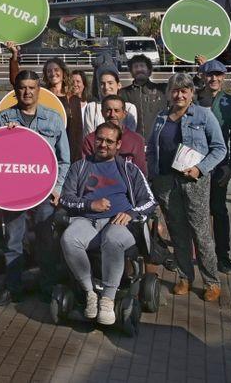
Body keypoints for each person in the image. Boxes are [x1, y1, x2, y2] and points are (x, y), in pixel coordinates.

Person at [59, 122, 157, 326]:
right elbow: (65, 199)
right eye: (100, 139)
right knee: (69, 238)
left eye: (109, 141)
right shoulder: (80, 166)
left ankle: (108, 299)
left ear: (118, 144)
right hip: (87, 220)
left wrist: (131, 213)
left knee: (112, 238)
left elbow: (149, 201)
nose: (103, 144)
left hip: (119, 224)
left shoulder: (129, 169)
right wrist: (89, 204)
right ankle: (90, 293)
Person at [0, 70, 71, 306]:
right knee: (13, 240)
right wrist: (7, 137)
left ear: (39, 90)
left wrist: (58, 188)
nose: (27, 92)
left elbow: (64, 159)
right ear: (16, 91)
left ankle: (47, 287)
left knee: (45, 240)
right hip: (14, 191)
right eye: (22, 87)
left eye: (32, 87)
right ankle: (12, 288)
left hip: (45, 193)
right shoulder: (4, 118)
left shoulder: (54, 118)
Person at [145, 73, 226, 301]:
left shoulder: (204, 115)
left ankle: (212, 281)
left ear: (191, 93)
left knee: (201, 233)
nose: (179, 95)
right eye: (175, 90)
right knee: (177, 231)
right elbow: (151, 147)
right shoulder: (161, 117)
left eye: (184, 90)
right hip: (166, 182)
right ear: (169, 93)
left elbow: (219, 148)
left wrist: (200, 169)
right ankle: (184, 277)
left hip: (194, 181)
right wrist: (154, 172)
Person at [195, 59, 231, 272]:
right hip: (195, 164)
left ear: (223, 77)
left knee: (219, 211)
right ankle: (197, 254)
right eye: (209, 75)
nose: (213, 79)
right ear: (203, 76)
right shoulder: (195, 99)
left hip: (220, 165)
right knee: (196, 211)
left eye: (218, 75)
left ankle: (222, 255)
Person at [8, 45, 83, 148]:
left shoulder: (73, 98)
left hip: (67, 147)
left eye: (56, 70)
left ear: (63, 72)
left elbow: (77, 132)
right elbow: (16, 81)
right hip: (43, 144)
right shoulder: (41, 93)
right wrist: (14, 56)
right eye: (49, 71)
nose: (53, 73)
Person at [81, 95, 147, 173]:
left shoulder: (136, 140)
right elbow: (85, 171)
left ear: (124, 113)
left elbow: (141, 173)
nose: (112, 115)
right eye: (108, 110)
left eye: (116, 111)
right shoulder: (91, 140)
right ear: (102, 113)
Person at [81, 67, 138, 137]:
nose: (106, 87)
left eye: (110, 83)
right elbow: (90, 136)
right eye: (102, 84)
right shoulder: (92, 107)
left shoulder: (129, 108)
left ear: (119, 85)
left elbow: (130, 136)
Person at [121, 54, 167, 140]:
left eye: (142, 66)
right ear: (131, 72)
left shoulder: (162, 90)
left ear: (149, 71)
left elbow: (186, 87)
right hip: (133, 143)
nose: (139, 69)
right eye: (135, 67)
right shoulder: (123, 93)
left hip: (158, 142)